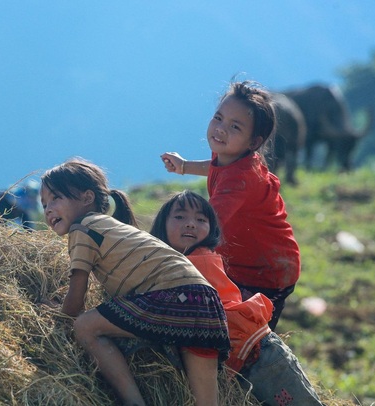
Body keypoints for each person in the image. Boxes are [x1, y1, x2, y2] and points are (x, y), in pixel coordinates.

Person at [40, 158, 230, 406]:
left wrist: (60, 316)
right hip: (206, 303)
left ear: (87, 198)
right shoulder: (115, 228)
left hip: (173, 295)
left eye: (55, 198)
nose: (48, 210)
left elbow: (76, 298)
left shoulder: (83, 228)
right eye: (44, 204)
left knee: (85, 326)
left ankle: (134, 402)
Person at [150, 190, 323, 405]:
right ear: (161, 225)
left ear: (211, 229)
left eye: (200, 219)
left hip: (260, 352)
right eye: (180, 217)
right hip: (239, 359)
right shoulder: (178, 261)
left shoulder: (199, 259)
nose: (190, 224)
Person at [161, 80, 300, 330]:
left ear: (253, 142)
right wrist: (184, 166)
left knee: (246, 336)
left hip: (266, 273)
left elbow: (208, 228)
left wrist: (163, 249)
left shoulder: (240, 180)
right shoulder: (231, 155)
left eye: (235, 126)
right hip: (247, 261)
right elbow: (215, 167)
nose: (221, 129)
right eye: (218, 118)